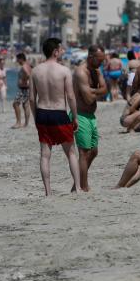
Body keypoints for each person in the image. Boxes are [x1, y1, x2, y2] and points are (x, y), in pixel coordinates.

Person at [30, 38, 81, 196]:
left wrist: (35, 117)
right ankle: (78, 188)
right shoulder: (64, 71)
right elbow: (71, 96)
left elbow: (32, 98)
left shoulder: (35, 71)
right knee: (71, 152)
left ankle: (48, 191)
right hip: (59, 113)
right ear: (55, 51)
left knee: (45, 154)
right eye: (61, 49)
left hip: (42, 113)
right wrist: (75, 117)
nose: (63, 51)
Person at [72, 45, 110, 192]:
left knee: (94, 151)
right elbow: (87, 99)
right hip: (80, 115)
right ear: (90, 57)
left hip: (91, 116)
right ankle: (83, 186)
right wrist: (96, 91)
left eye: (102, 60)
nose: (101, 63)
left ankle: (78, 182)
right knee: (84, 152)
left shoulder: (96, 70)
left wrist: (92, 90)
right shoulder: (81, 72)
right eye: (99, 60)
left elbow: (105, 90)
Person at [12, 52, 32, 129]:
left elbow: (28, 75)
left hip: (23, 89)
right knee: (25, 105)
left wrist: (24, 80)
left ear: (21, 59)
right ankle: (26, 123)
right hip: (27, 88)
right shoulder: (28, 65)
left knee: (15, 104)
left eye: (18, 59)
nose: (17, 61)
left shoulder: (24, 66)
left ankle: (18, 122)